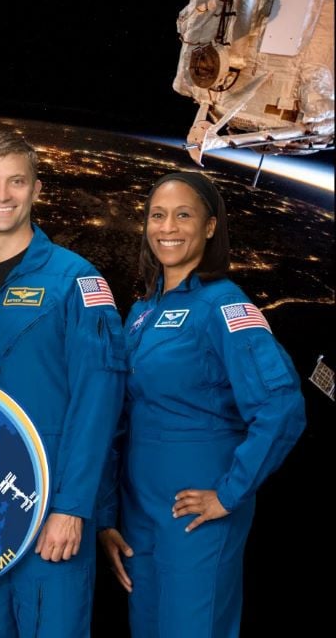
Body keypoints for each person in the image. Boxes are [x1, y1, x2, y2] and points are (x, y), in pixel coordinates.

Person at [0, 131, 126, 637]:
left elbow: (98, 402)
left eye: (16, 182)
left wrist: (73, 506)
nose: (3, 195)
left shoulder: (76, 281)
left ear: (36, 189)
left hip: (50, 509)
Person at [96, 172, 306, 638]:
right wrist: (107, 517)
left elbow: (282, 404)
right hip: (140, 516)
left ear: (210, 227)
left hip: (196, 519)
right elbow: (120, 419)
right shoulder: (142, 313)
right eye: (157, 215)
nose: (167, 227)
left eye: (183, 214)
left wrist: (230, 493)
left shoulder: (224, 307)